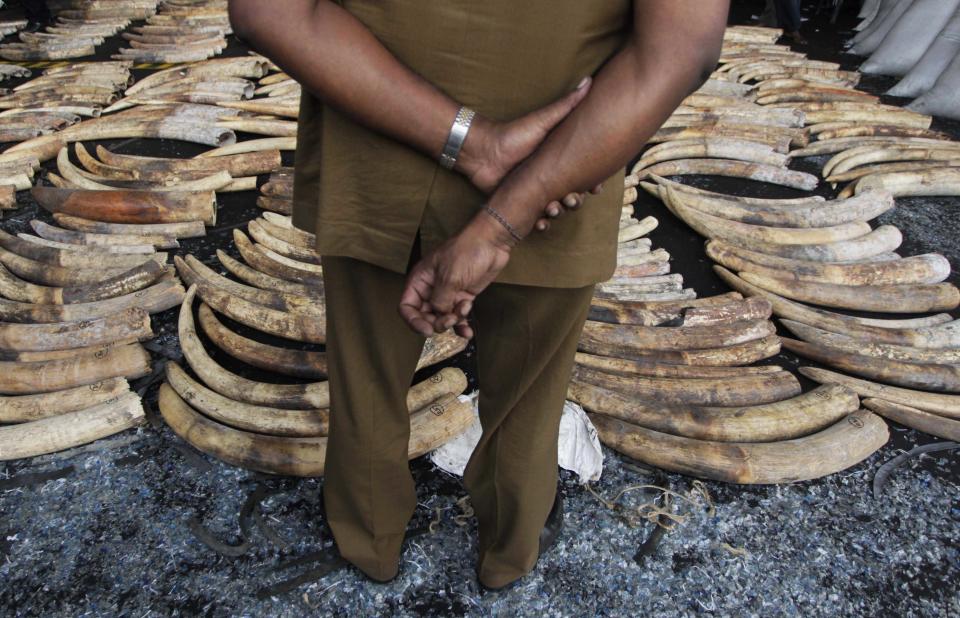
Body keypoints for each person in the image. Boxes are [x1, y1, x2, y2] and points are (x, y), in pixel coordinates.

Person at [228, 0, 729, 591]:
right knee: (528, 392)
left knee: (365, 374)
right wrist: (507, 215)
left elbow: (267, 11)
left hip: (375, 136)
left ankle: (369, 537)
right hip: (564, 157)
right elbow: (681, 46)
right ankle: (510, 549)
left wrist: (475, 144)